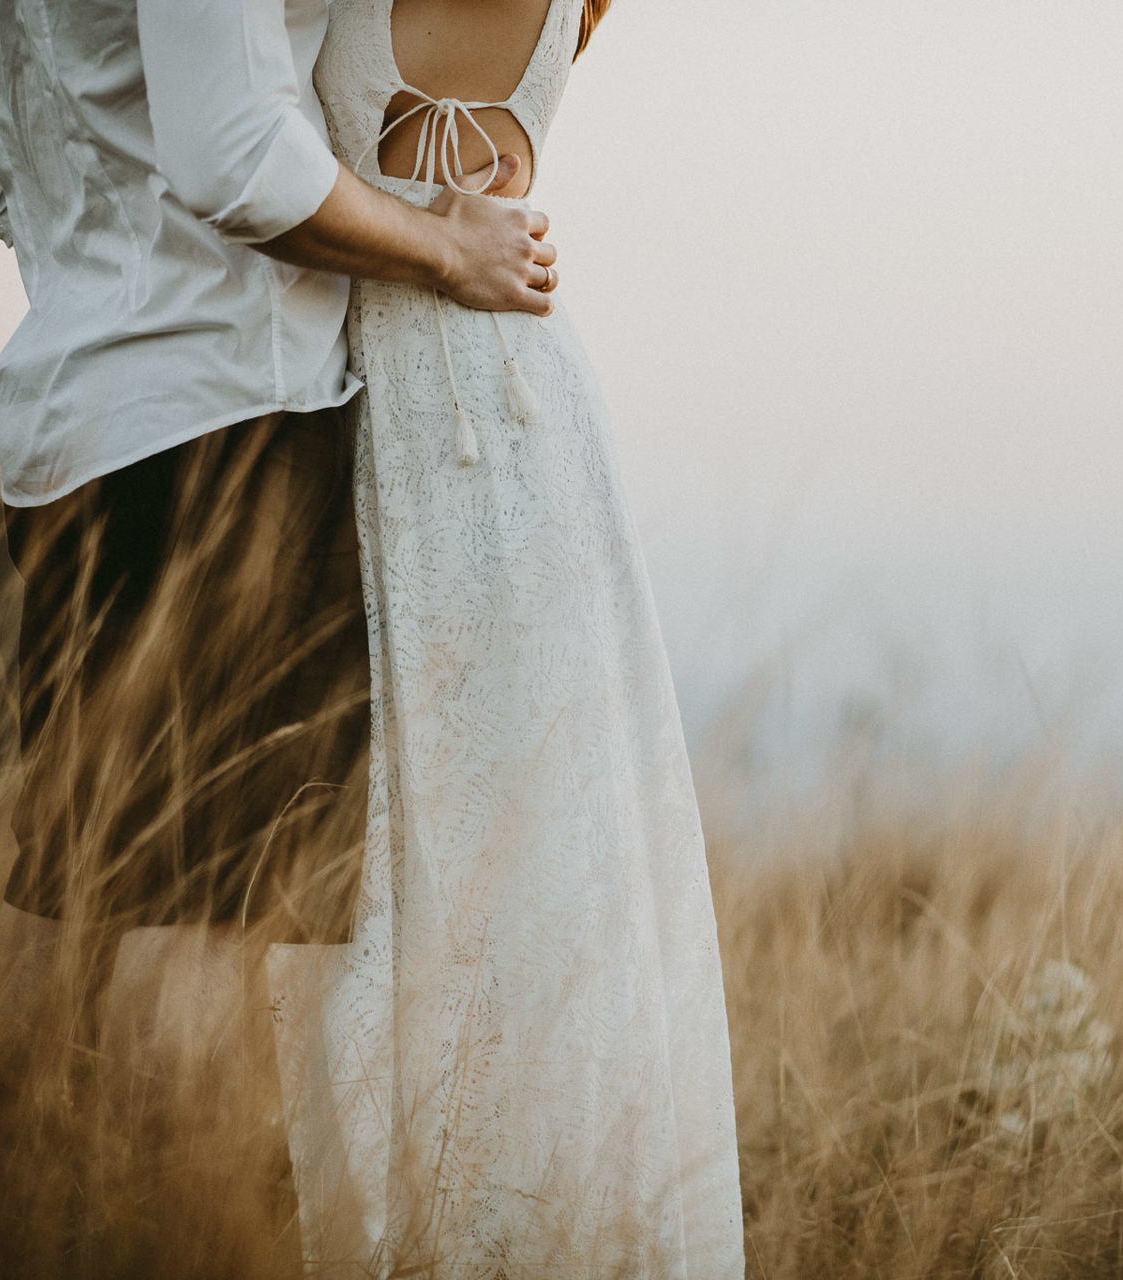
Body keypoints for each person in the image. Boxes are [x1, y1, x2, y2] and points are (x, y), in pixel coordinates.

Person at [0, 0, 549, 1140]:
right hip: (228, 415)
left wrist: (103, 257)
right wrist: (448, 248)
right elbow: (237, 158)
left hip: (67, 420)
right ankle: (169, 1227)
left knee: (70, 877)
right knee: (210, 902)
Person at [269, 0, 745, 1274]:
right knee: (538, 837)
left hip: (386, 391)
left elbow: (266, 172)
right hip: (530, 395)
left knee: (424, 847)